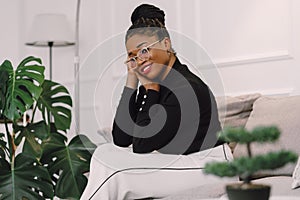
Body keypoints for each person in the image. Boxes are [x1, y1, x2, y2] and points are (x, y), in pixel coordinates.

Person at [81, 4, 236, 200]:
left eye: (144, 50)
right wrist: (132, 82)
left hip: (211, 168)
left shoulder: (186, 88)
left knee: (116, 175)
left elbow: (142, 145)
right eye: (133, 56)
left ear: (165, 44)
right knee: (105, 152)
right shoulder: (159, 82)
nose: (140, 59)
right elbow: (121, 139)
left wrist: (150, 89)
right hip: (180, 162)